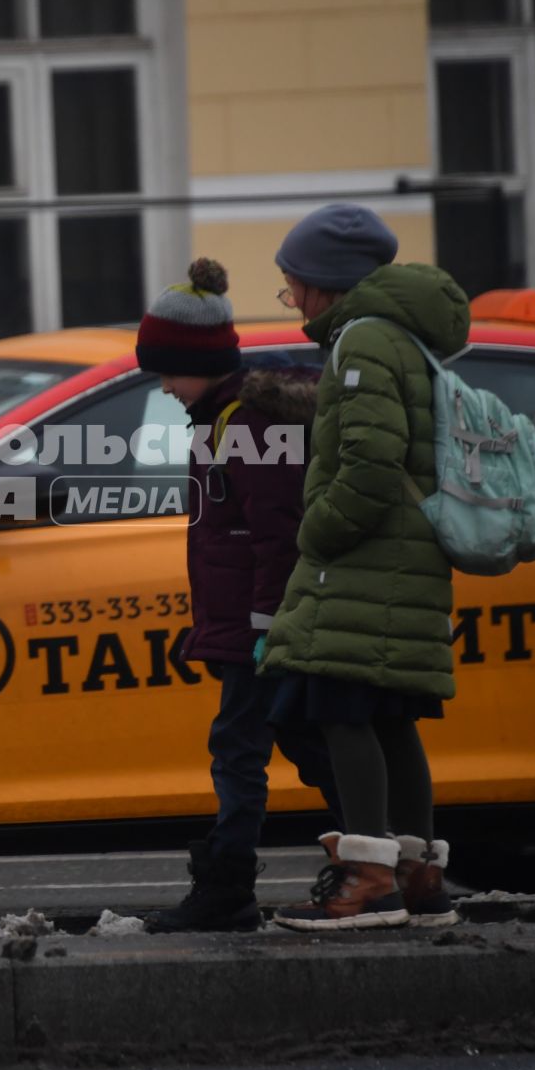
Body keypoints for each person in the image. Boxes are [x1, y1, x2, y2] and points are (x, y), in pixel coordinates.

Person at [258, 205, 470, 932]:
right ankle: (419, 879)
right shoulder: (399, 338)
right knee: (387, 714)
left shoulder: (363, 342)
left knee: (343, 706)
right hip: (400, 563)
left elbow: (371, 466)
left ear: (326, 285)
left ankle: (370, 880)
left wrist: (316, 534)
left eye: (294, 288)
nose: (293, 305)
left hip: (365, 565)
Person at [138, 257, 340, 934]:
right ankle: (382, 854)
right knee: (301, 741)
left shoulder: (248, 424)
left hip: (264, 629)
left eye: (170, 371)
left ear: (202, 362)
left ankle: (229, 886)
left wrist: (263, 627)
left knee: (243, 748)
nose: (164, 386)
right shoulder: (221, 418)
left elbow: (275, 534)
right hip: (249, 624)